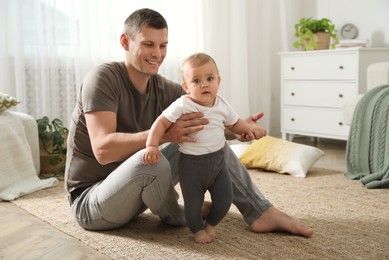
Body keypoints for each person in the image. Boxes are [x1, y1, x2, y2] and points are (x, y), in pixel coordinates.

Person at [65, 8, 313, 239]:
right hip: (92, 202)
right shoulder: (103, 79)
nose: (157, 54)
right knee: (151, 161)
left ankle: (259, 212)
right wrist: (163, 136)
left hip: (136, 191)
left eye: (163, 46)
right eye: (148, 44)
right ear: (125, 42)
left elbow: (202, 122)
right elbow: (103, 150)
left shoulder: (165, 89)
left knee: (208, 142)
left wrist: (238, 129)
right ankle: (178, 214)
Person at [143, 53, 267, 243]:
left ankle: (210, 225)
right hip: (191, 166)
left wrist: (251, 128)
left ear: (218, 80)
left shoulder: (222, 105)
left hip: (218, 163)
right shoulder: (183, 104)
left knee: (226, 199)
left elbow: (236, 125)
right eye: (196, 81)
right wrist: (151, 145)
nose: (204, 84)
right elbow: (160, 123)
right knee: (193, 204)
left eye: (210, 79)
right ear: (186, 87)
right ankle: (198, 229)